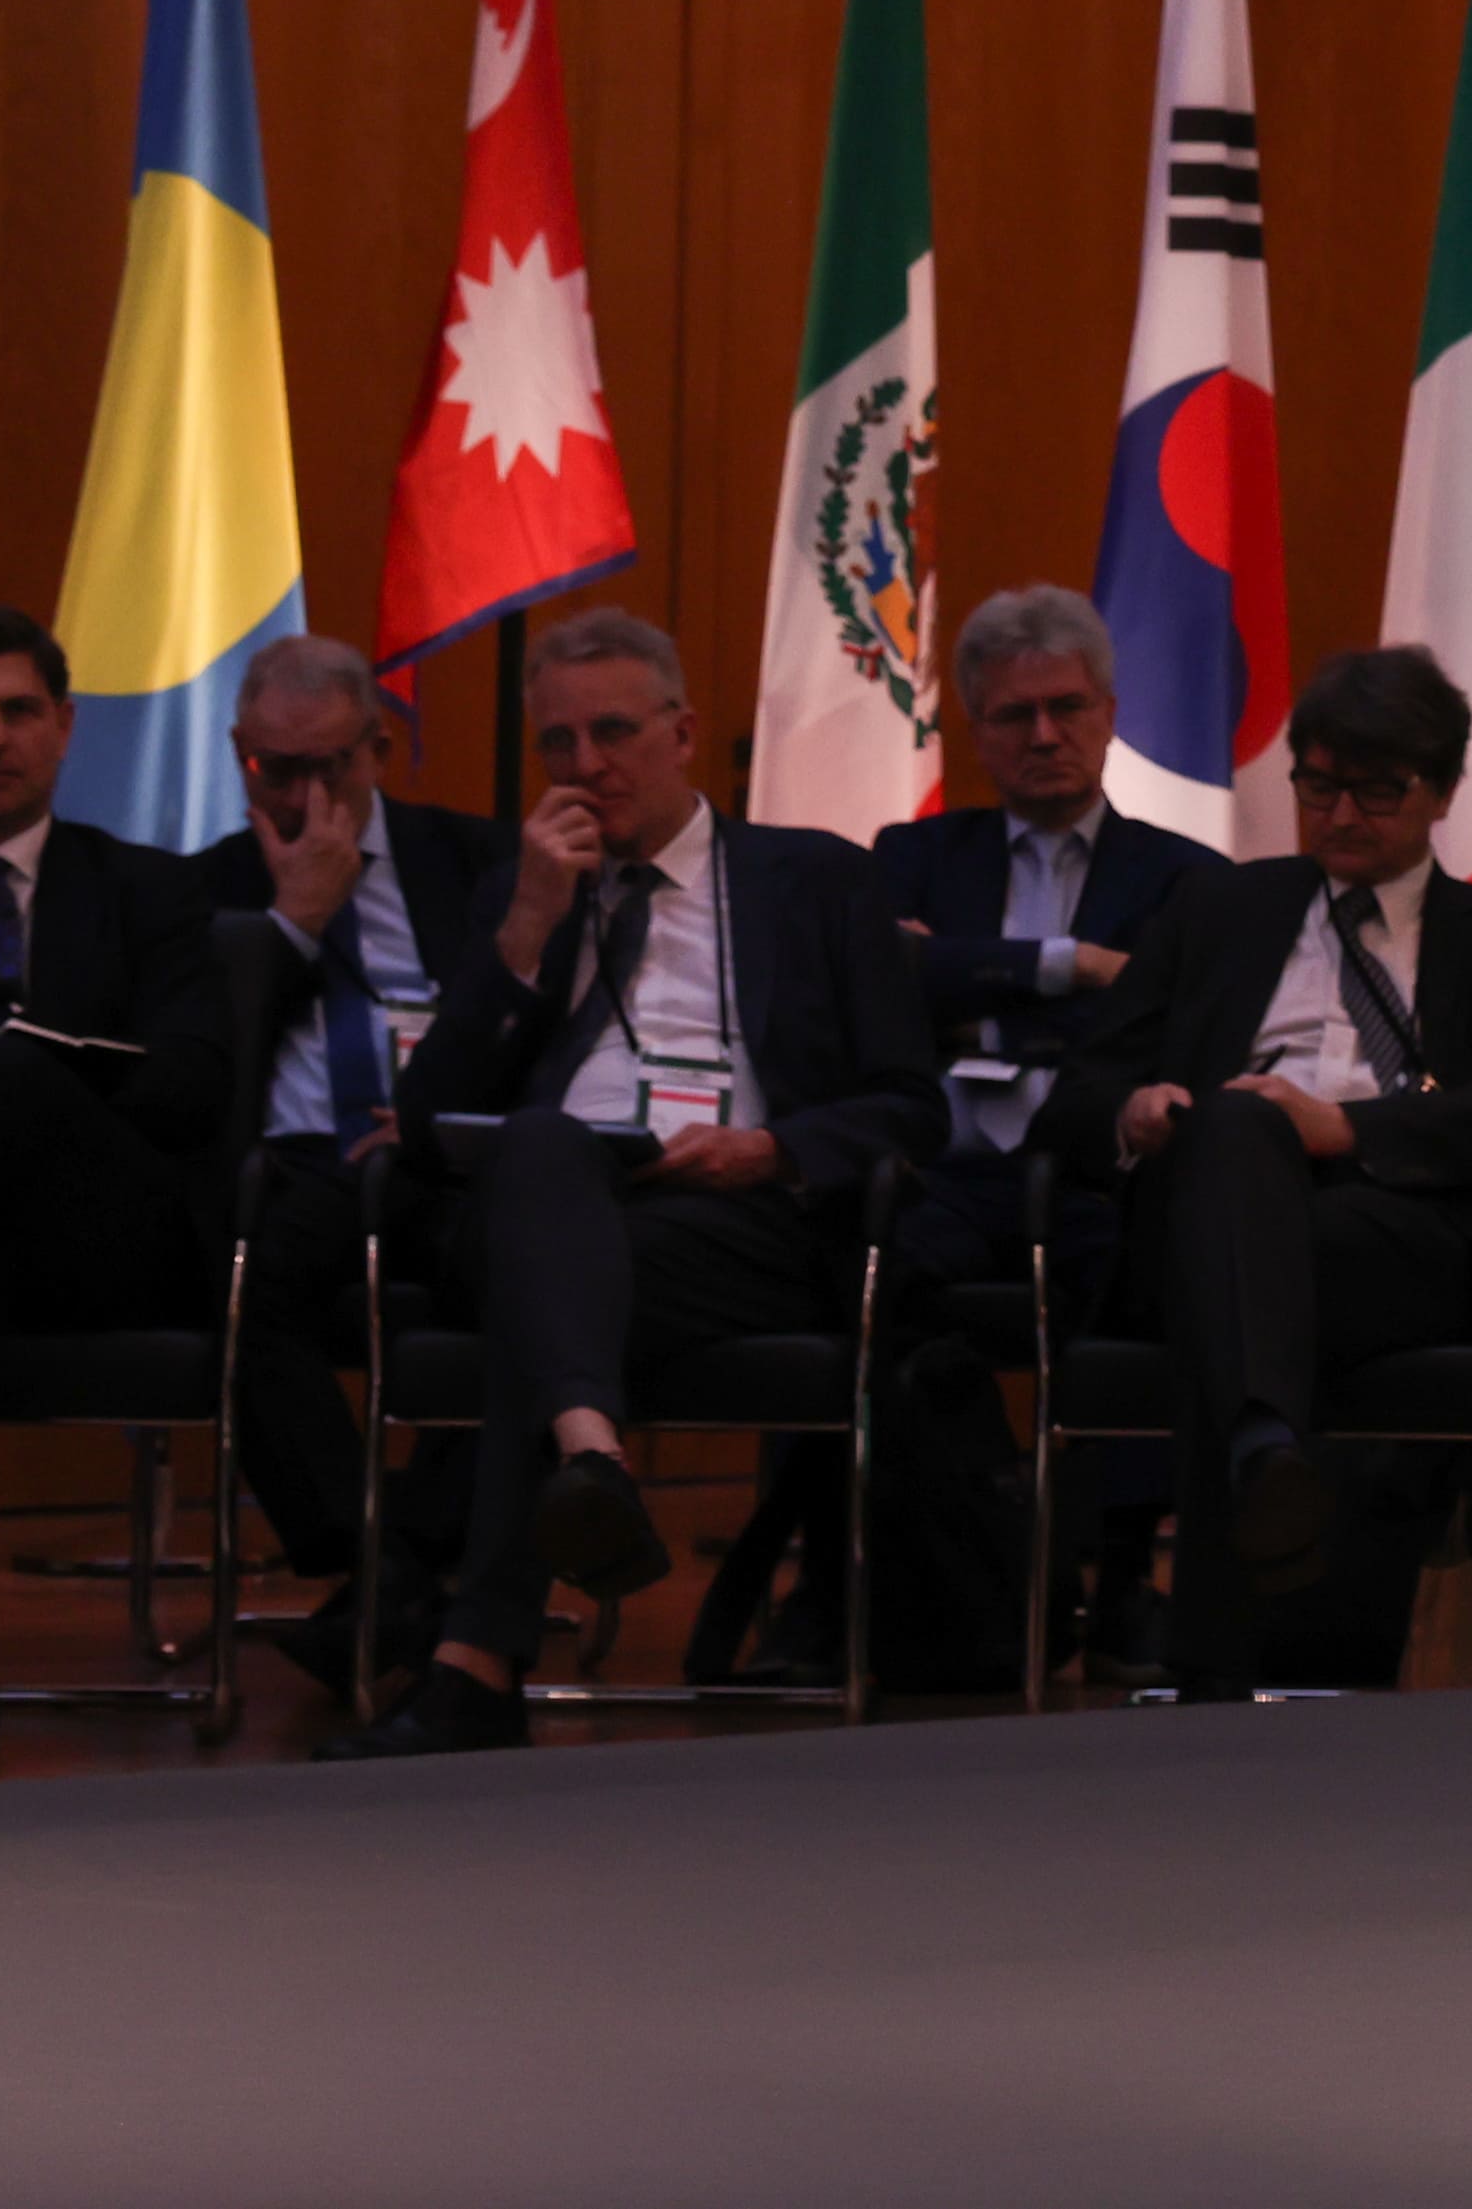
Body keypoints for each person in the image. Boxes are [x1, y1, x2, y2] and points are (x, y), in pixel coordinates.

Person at [321, 608, 942, 1760]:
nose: (586, 766)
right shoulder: (524, 895)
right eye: (557, 744)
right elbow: (425, 1119)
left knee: (538, 1276)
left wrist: (772, 1149)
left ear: (683, 733)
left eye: (612, 732)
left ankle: (483, 1654)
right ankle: (587, 1461)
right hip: (549, 1201)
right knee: (545, 1145)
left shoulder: (813, 880)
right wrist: (524, 929)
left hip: (736, 1218)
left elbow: (912, 1105)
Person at [1038, 646, 1472, 1692]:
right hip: (1205, 1201)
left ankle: (1239, 1539)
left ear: (1440, 793)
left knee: (1235, 1255)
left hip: (1395, 1239)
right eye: (1317, 784)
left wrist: (1348, 1129)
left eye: (1375, 791)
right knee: (1238, 1133)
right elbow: (1077, 1090)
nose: (1338, 816)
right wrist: (1135, 1107)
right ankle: (1263, 1451)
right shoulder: (1216, 911)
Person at [0, 604, 232, 1784]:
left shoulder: (149, 889)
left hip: (105, 1233)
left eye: (19, 710)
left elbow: (193, 1085)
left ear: (66, 728)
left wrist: (30, 1098)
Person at [856, 585, 1218, 1682]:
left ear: (1109, 712)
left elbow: (1167, 1027)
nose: (1045, 735)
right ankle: (949, 1549)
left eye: (1066, 707)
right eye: (1015, 715)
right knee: (855, 1266)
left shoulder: (1187, 877)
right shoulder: (909, 856)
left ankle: (1116, 1578)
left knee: (1159, 1273)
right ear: (975, 730)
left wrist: (965, 980)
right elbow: (884, 981)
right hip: (947, 1169)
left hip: (1100, 1172)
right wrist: (1075, 969)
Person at [187, 636, 510, 1702]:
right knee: (234, 1282)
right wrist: (296, 922)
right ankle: (390, 1572)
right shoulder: (197, 889)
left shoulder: (475, 861)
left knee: (536, 1283)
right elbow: (200, 1071)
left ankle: (396, 1576)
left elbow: (529, 1029)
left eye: (335, 764)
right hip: (292, 1167)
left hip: (445, 1156)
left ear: (381, 744)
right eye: (281, 770)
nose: (310, 794)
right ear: (241, 756)